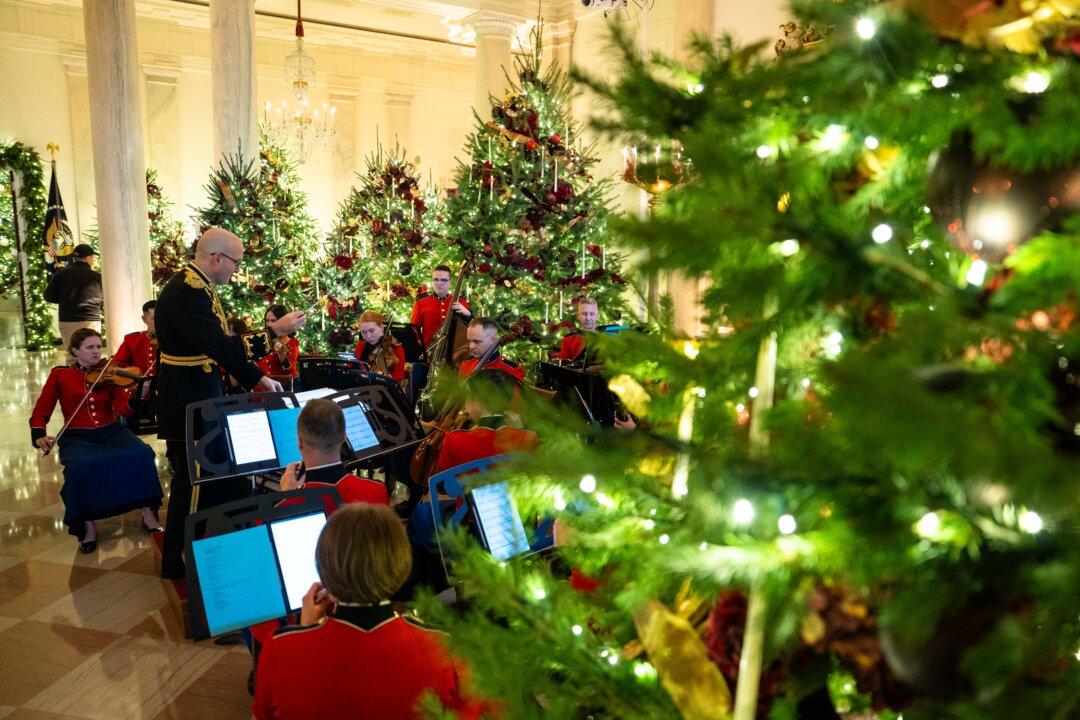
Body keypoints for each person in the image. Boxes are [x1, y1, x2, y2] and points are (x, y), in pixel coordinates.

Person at [155, 227, 306, 579]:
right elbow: (221, 347)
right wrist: (273, 332)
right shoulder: (185, 292)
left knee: (212, 478)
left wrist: (256, 377)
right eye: (236, 263)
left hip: (202, 394)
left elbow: (222, 345)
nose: (237, 270)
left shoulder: (199, 285)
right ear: (216, 258)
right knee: (192, 483)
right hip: (188, 403)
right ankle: (179, 561)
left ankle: (207, 546)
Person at [253, 503, 486, 720]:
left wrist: (306, 633)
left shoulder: (279, 649)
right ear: (402, 567)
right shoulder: (444, 649)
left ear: (324, 572)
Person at [29, 328, 163, 553]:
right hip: (77, 435)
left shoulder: (109, 374)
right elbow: (42, 408)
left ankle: (148, 513)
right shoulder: (60, 375)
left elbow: (123, 409)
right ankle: (87, 525)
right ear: (74, 351)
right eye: (89, 347)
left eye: (98, 346)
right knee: (79, 467)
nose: (96, 352)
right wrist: (39, 434)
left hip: (112, 431)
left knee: (142, 454)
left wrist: (137, 396)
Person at [278, 399, 388, 506]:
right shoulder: (378, 491)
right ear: (344, 437)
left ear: (299, 441)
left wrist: (287, 496)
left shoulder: (290, 504)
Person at [44, 243, 103, 349]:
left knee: (72, 353)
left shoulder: (60, 274)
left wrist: (66, 300)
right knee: (91, 354)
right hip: (90, 319)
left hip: (67, 320)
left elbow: (48, 296)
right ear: (87, 258)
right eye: (92, 257)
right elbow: (104, 298)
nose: (93, 260)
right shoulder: (96, 276)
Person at [410, 264, 471, 347]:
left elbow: (471, 331)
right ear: (432, 282)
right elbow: (413, 331)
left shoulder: (461, 303)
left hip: (454, 352)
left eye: (443, 280)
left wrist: (469, 315)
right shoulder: (420, 304)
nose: (439, 283)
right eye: (436, 279)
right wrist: (421, 348)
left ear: (449, 283)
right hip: (428, 353)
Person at [457, 317, 524, 383]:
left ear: (492, 340)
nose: (471, 346)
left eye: (477, 341)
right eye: (469, 341)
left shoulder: (513, 371)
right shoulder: (465, 365)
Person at [353, 311, 406, 381]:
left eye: (372, 330)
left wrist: (388, 380)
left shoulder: (396, 349)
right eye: (364, 332)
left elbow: (398, 378)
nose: (368, 336)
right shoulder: (361, 345)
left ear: (381, 327)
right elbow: (353, 369)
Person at [112, 300, 159, 376]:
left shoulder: (174, 340)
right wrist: (133, 379)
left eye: (162, 318)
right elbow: (116, 365)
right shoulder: (132, 340)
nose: (159, 322)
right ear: (144, 319)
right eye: (154, 319)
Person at [257, 304, 301, 380]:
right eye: (267, 321)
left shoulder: (292, 342)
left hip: (285, 386)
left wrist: (282, 358)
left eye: (274, 321)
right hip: (264, 386)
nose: (269, 324)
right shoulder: (262, 339)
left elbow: (290, 371)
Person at [552, 296, 599, 364]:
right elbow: (564, 366)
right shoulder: (568, 338)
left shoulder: (606, 336)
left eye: (592, 314)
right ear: (578, 316)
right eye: (584, 314)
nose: (588, 318)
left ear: (597, 315)